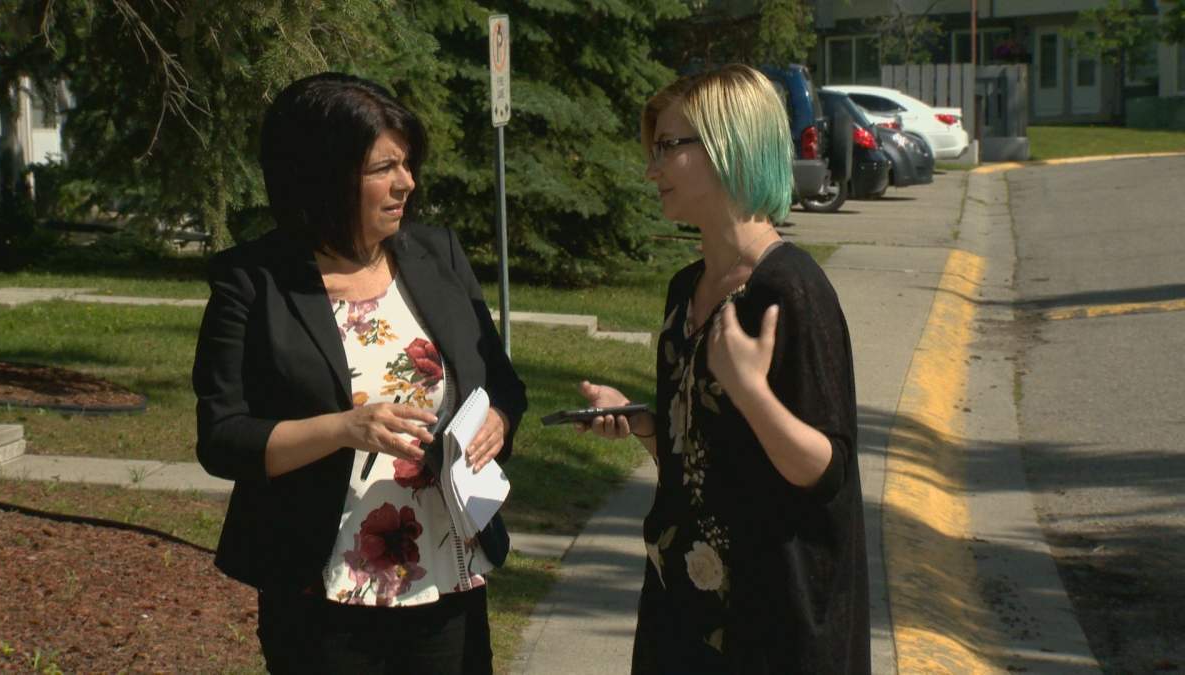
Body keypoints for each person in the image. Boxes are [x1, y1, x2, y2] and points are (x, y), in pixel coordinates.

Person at [192, 72, 526, 674]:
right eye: (384, 168)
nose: (407, 183)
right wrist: (345, 428)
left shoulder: (438, 254)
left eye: (407, 164)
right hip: (319, 590)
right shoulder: (253, 280)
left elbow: (500, 381)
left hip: (446, 576)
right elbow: (222, 437)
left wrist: (498, 420)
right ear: (324, 175)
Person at [577, 64, 870, 673]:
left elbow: (825, 473)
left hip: (770, 624)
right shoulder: (686, 289)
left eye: (668, 147)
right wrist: (647, 426)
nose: (651, 169)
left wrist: (749, 391)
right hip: (682, 606)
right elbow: (707, 458)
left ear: (727, 145)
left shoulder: (792, 291)